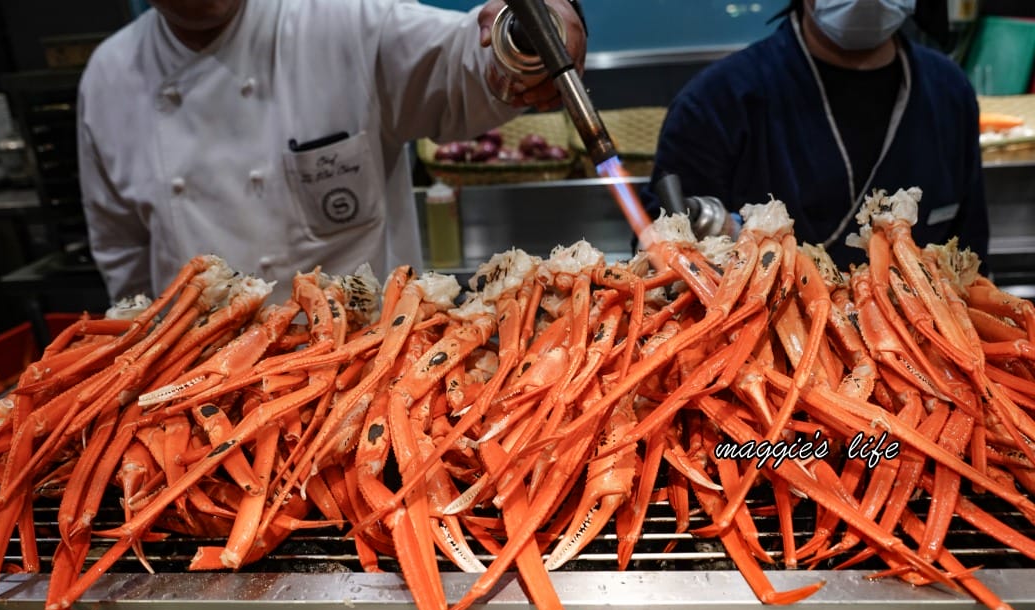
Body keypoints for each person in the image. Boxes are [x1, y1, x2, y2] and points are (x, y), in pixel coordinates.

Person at [78, 0, 587, 302]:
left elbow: (465, 63)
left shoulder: (344, 20)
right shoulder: (109, 76)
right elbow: (124, 264)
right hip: (200, 392)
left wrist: (525, 38)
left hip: (367, 378)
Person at [642, 0, 989, 270]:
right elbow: (657, 260)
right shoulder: (715, 104)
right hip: (759, 348)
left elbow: (971, 264)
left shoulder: (949, 92)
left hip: (921, 345)